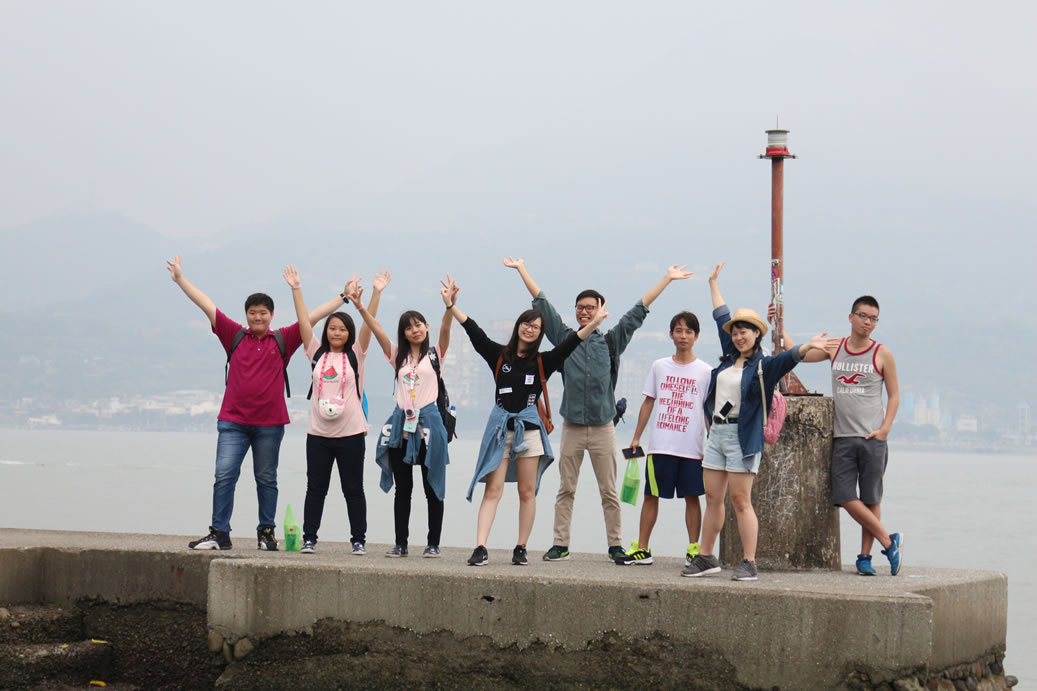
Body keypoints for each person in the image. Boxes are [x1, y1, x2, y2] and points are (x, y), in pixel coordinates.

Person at [504, 257, 692, 562]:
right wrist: (522, 269)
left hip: (604, 427)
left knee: (609, 491)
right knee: (566, 489)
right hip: (572, 426)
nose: (584, 312)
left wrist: (667, 279)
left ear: (602, 310)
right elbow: (542, 302)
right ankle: (560, 544)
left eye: (590, 307)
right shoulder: (565, 338)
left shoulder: (611, 341)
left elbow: (639, 310)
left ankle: (615, 545)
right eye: (580, 307)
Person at [441, 276, 608, 566]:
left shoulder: (544, 361)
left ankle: (521, 547)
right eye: (527, 324)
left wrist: (593, 324)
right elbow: (474, 331)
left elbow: (571, 342)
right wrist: (451, 306)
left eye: (536, 327)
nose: (530, 329)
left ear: (541, 334)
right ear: (519, 326)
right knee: (493, 490)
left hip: (529, 433)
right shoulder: (498, 355)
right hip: (500, 432)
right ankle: (480, 547)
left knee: (526, 491)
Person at [682, 262, 829, 581]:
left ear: (757, 334)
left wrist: (807, 346)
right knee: (713, 499)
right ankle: (706, 557)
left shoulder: (764, 366)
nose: (738, 336)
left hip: (743, 436)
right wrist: (712, 283)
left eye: (744, 331)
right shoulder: (728, 357)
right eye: (735, 332)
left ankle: (749, 561)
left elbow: (789, 358)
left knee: (740, 500)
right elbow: (721, 315)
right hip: (716, 435)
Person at [167, 256, 312, 551]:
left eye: (262, 313)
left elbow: (312, 318)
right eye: (252, 313)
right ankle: (219, 533)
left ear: (271, 315)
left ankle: (266, 533)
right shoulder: (233, 335)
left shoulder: (283, 339)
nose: (257, 317)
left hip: (270, 424)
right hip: (233, 422)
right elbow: (207, 305)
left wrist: (328, 295)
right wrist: (181, 279)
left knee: (266, 479)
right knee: (224, 476)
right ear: (246, 315)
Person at [782, 296, 903, 576]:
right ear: (851, 317)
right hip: (843, 436)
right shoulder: (836, 347)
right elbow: (799, 355)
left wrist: (885, 428)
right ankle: (889, 541)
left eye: (873, 318)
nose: (868, 322)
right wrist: (781, 327)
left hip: (872, 437)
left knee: (871, 499)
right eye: (863, 316)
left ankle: (865, 557)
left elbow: (895, 395)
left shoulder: (882, 353)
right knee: (845, 496)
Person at [298, 271, 393, 556]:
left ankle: (358, 540)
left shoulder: (356, 353)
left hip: (351, 434)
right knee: (315, 488)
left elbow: (369, 325)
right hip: (318, 435)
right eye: (332, 328)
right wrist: (296, 289)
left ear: (350, 333)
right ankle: (309, 538)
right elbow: (304, 322)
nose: (337, 333)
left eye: (342, 329)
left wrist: (376, 293)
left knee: (353, 489)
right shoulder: (315, 352)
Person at [615, 311, 712, 568]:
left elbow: (707, 410)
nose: (683, 336)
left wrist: (712, 443)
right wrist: (636, 437)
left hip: (692, 448)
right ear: (671, 334)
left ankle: (694, 550)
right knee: (651, 496)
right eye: (678, 331)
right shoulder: (660, 366)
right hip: (661, 446)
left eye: (688, 331)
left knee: (692, 497)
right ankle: (642, 548)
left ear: (696, 336)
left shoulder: (706, 371)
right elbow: (649, 402)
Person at [365, 282, 453, 558]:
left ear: (426, 327)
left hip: (430, 428)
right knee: (403, 489)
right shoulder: (398, 356)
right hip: (401, 427)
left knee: (432, 487)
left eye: (418, 324)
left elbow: (447, 329)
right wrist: (362, 304)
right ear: (403, 333)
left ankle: (433, 543)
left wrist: (449, 306)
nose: (414, 329)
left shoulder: (436, 354)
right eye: (408, 327)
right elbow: (376, 330)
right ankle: (400, 544)